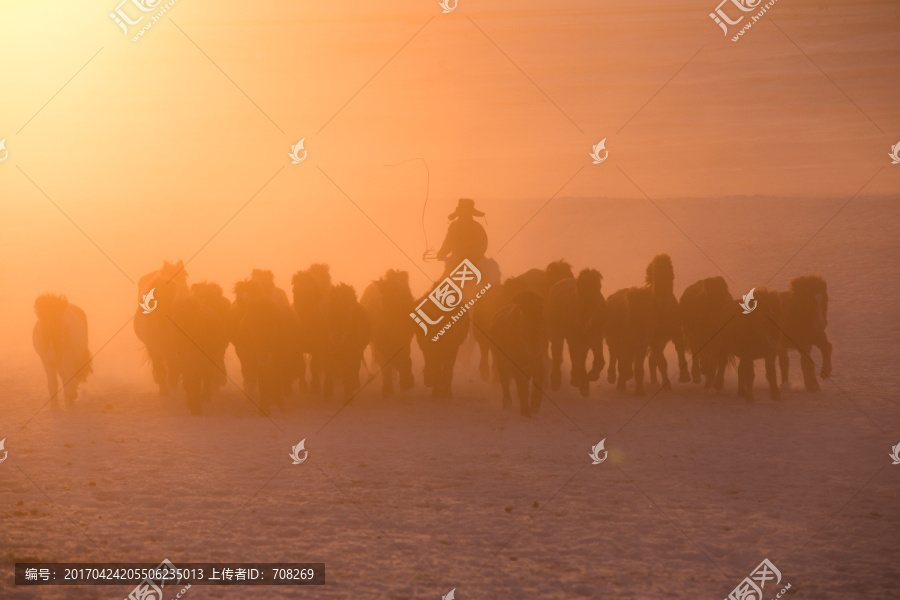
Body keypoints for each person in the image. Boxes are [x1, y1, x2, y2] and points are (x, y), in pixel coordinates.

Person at [436, 198, 488, 272]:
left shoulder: (477, 226)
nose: (465, 213)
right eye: (464, 211)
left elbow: (483, 244)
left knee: (488, 273)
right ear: (460, 212)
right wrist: (442, 253)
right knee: (446, 277)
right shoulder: (454, 226)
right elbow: (447, 243)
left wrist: (477, 255)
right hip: (456, 258)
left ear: (471, 213)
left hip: (474, 259)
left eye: (468, 211)